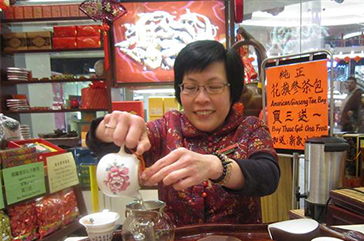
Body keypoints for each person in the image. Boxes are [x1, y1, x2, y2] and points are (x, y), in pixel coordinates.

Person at [87, 40, 280, 227]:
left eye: (214, 87)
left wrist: (216, 167)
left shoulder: (250, 128)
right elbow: (103, 148)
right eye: (190, 87)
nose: (201, 98)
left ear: (233, 90)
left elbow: (268, 176)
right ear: (180, 91)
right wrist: (109, 128)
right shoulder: (167, 128)